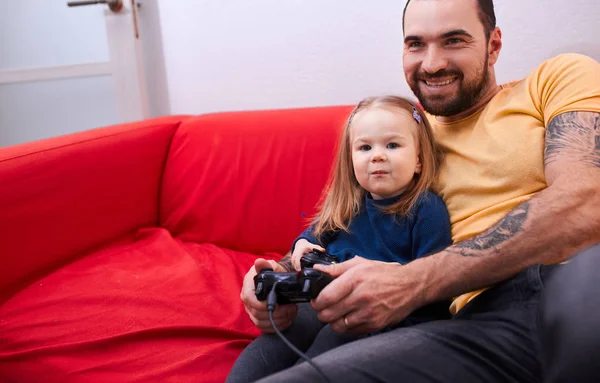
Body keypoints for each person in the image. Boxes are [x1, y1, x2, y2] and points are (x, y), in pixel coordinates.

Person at [233, 0, 600, 381]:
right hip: (465, 326)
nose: (432, 63)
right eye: (415, 44)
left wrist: (413, 281)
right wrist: (277, 275)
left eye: (454, 40)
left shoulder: (555, 80)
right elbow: (352, 231)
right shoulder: (400, 136)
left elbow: (585, 203)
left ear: (493, 45)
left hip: (561, 284)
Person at [226, 95, 453, 382]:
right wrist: (301, 247)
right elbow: (311, 237)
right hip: (321, 301)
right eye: (365, 147)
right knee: (276, 342)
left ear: (419, 160)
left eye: (392, 145)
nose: (377, 155)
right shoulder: (349, 205)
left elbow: (433, 284)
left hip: (377, 316)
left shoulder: (426, 210)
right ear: (351, 159)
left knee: (327, 348)